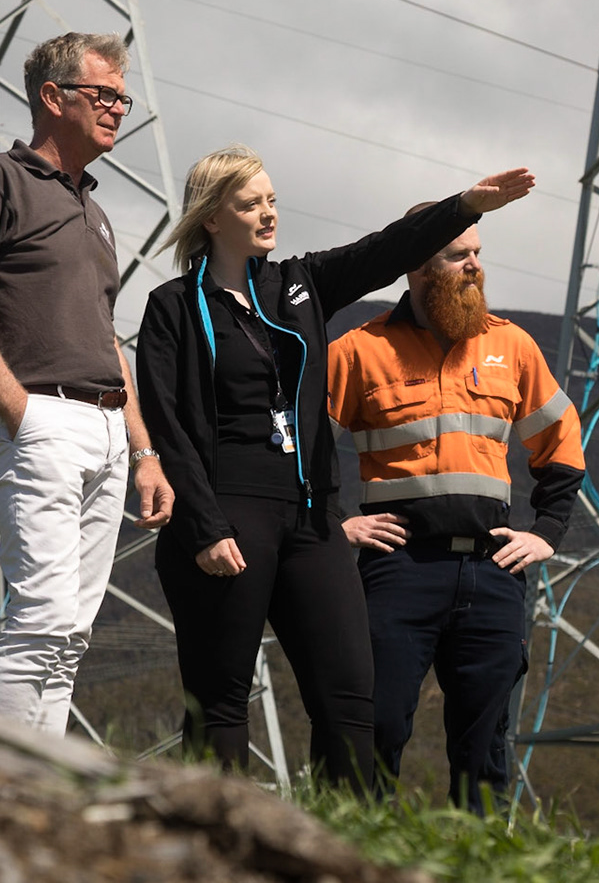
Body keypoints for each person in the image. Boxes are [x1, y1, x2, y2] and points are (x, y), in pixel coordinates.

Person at [136, 146, 534, 787]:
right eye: (249, 204)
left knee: (352, 701)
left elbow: (385, 249)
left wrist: (462, 208)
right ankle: (218, 850)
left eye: (270, 200)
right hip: (227, 515)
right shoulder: (175, 307)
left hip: (311, 519)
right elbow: (170, 426)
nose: (267, 214)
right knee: (220, 707)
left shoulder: (300, 284)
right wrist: (205, 529)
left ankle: (343, 847)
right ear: (212, 217)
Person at [0, 31, 174, 735]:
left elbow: (105, 337)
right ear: (52, 97)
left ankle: (36, 791)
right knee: (43, 620)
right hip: (40, 422)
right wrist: (18, 409)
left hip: (105, 433)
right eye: (104, 94)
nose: (119, 108)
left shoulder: (94, 213)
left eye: (124, 97)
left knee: (69, 636)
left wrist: (145, 451)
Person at [326, 213, 584, 809]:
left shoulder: (510, 344)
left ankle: (479, 867)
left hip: (495, 574)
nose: (475, 266)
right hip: (397, 569)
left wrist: (547, 531)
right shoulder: (360, 350)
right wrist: (334, 522)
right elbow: (297, 442)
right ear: (415, 265)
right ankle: (357, 864)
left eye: (477, 253)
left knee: (484, 749)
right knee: (378, 728)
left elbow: (560, 438)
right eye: (456, 255)